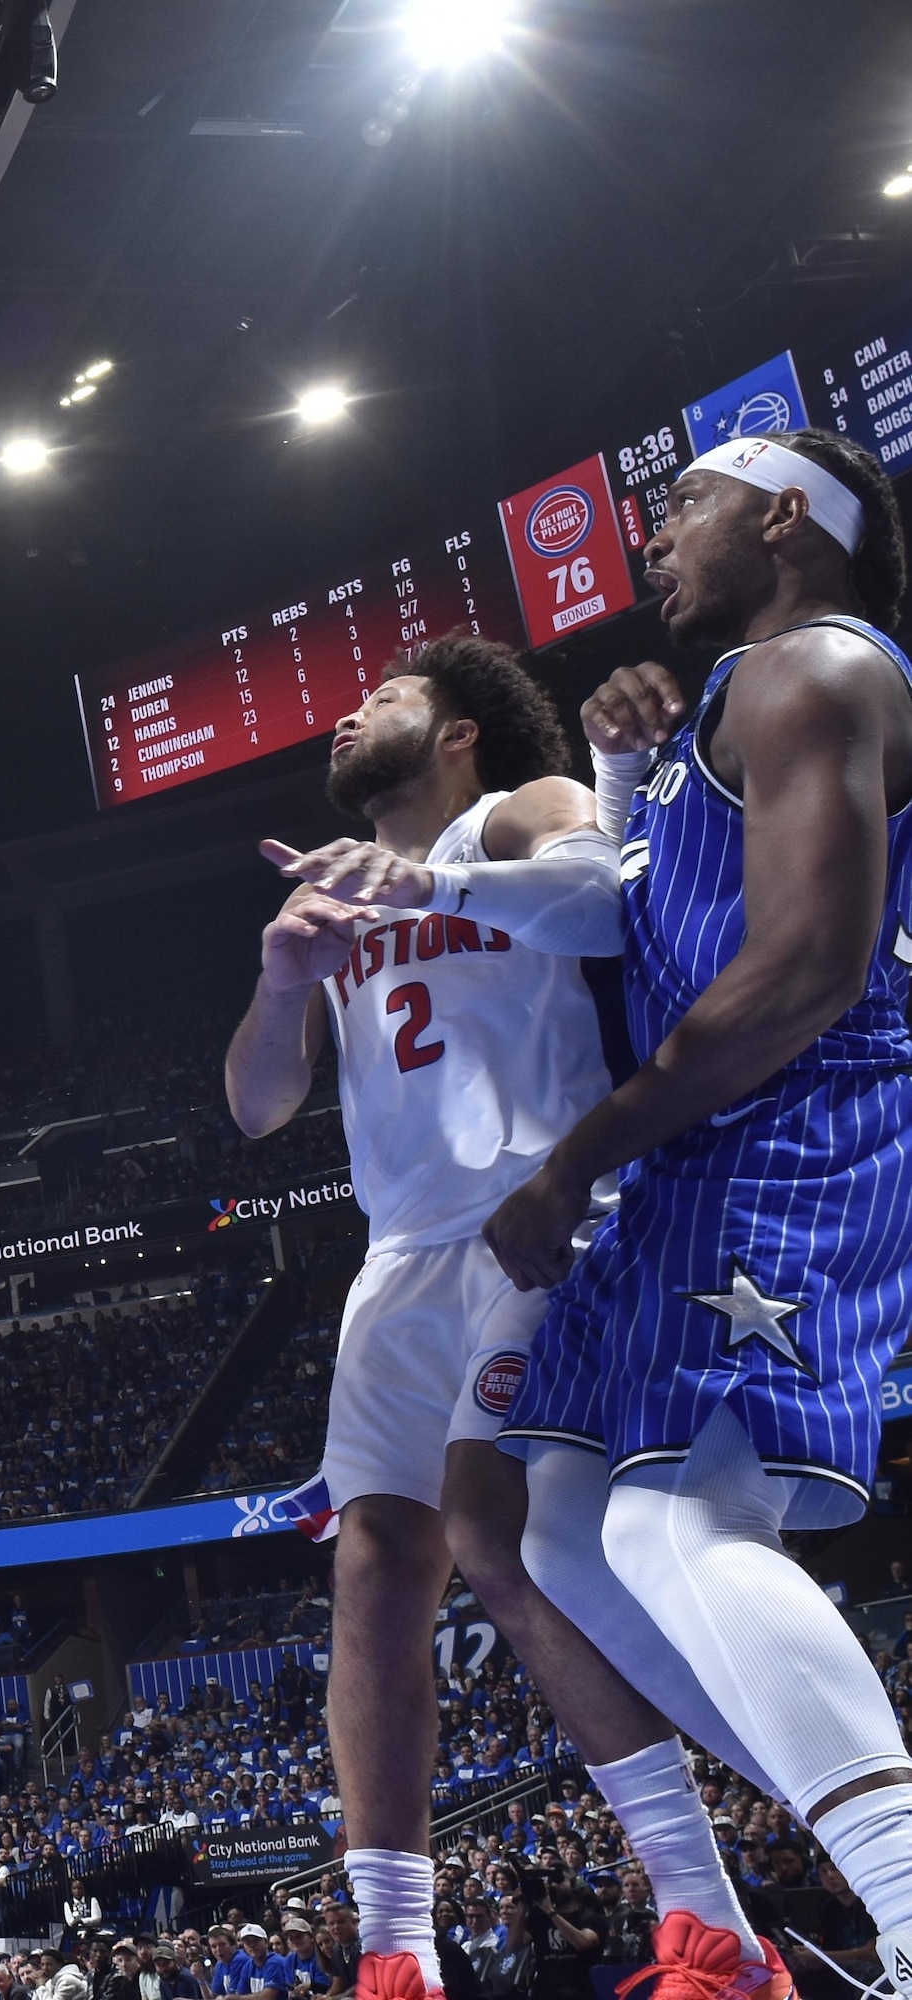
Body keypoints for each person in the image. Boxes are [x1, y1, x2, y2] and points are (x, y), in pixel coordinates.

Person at [222, 635, 767, 2000]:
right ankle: (392, 1955)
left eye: (382, 699)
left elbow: (600, 907)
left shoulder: (513, 812)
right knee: (373, 1572)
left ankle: (704, 1921)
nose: (346, 718)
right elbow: (252, 1106)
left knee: (488, 1526)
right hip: (394, 1255)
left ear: (458, 730)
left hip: (534, 1212)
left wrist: (431, 880)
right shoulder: (324, 892)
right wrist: (281, 981)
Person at [475, 426, 912, 2000]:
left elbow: (804, 968)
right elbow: (643, 931)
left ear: (784, 520)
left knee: (676, 1517)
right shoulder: (726, 705)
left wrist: (576, 1152)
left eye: (681, 507)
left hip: (792, 1121)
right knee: (567, 1534)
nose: (648, 539)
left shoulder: (812, 669)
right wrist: (605, 768)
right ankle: (868, 1867)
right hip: (696, 1141)